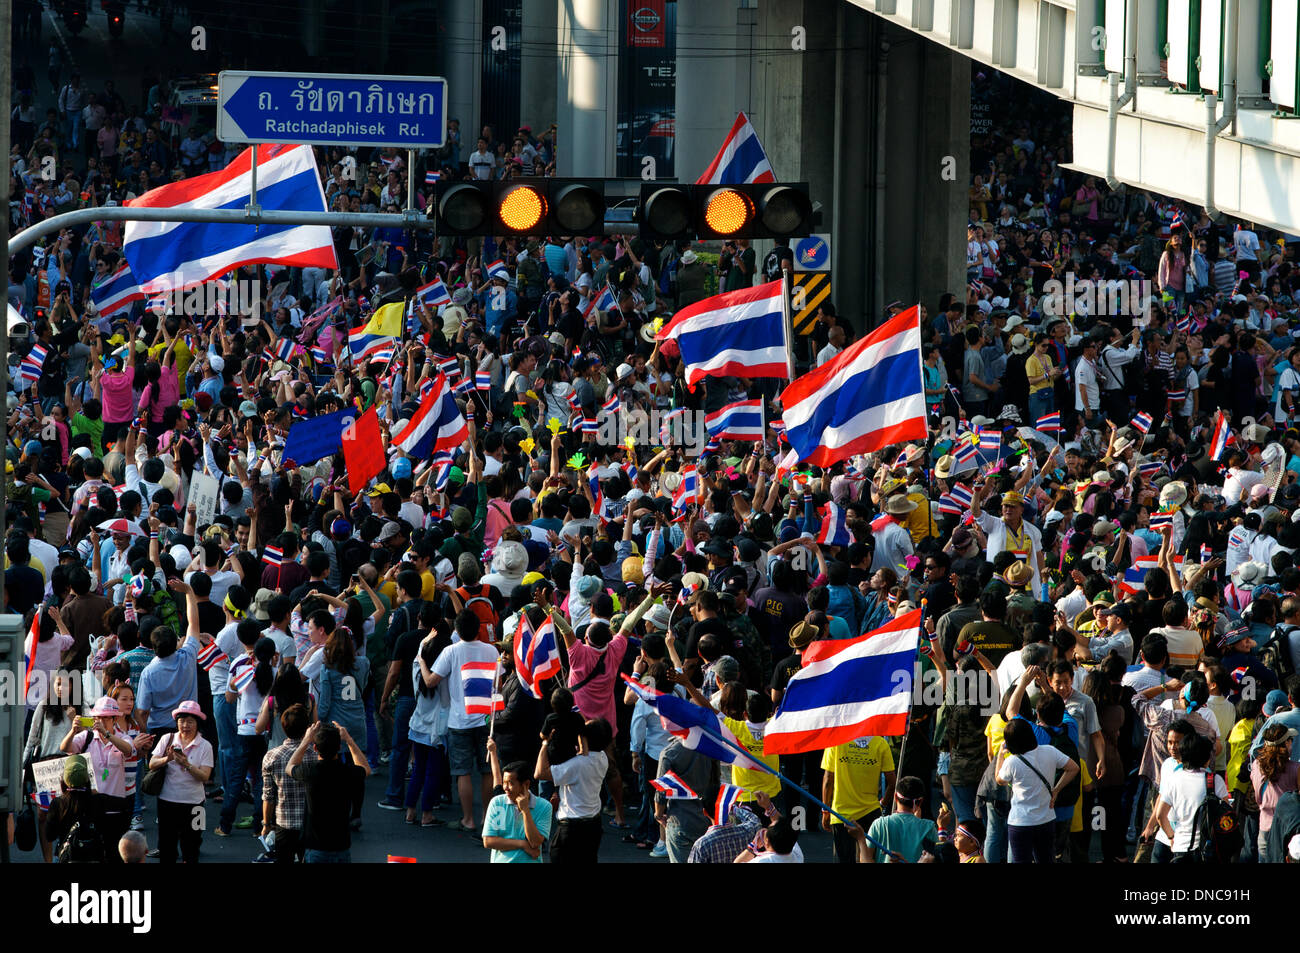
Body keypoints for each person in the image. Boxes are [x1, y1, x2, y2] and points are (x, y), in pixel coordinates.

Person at [996, 716, 1080, 863]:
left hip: (1020, 822)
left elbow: (999, 779)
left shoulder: (1012, 762)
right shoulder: (1050, 751)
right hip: (1046, 819)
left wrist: (1000, 756)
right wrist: (1056, 790)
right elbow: (1073, 768)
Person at [288, 720, 371, 862]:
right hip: (341, 847)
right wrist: (349, 740)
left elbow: (290, 766)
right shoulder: (347, 772)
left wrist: (306, 739)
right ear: (339, 747)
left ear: (315, 748)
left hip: (316, 848)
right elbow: (366, 769)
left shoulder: (310, 772)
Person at [535, 716, 611, 863]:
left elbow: (540, 773)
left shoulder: (577, 764)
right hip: (593, 825)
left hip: (571, 829)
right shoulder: (603, 758)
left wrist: (545, 743)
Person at [147, 700, 213, 864]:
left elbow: (205, 776)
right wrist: (167, 759)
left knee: (192, 848)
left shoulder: (205, 746)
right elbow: (151, 764)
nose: (185, 725)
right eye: (182, 721)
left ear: (197, 724)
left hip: (196, 804)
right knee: (167, 848)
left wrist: (186, 764)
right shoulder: (167, 739)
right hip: (167, 801)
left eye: (190, 721)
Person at [482, 736, 551, 863]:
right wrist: (522, 844)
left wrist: (525, 811)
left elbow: (535, 842)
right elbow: (488, 841)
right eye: (504, 783)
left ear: (526, 784)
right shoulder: (497, 803)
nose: (506, 788)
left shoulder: (545, 807)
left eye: (511, 783)